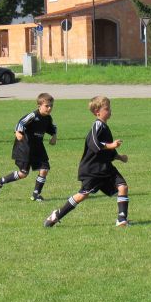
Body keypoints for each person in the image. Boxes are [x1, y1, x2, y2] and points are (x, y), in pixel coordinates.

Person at [44, 95, 129, 228]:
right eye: (107, 109)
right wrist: (111, 145)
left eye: (110, 108)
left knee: (123, 187)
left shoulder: (105, 127)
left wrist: (119, 157)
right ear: (97, 112)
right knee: (82, 195)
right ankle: (57, 215)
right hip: (92, 169)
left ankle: (121, 220)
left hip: (105, 167)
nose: (110, 111)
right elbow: (94, 144)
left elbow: (107, 151)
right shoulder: (97, 125)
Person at [0, 93, 58, 202]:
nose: (49, 108)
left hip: (38, 147)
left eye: (51, 106)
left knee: (44, 169)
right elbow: (21, 123)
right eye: (47, 106)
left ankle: (36, 195)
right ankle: (0, 181)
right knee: (23, 173)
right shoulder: (33, 116)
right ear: (39, 106)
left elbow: (53, 127)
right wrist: (18, 132)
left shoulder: (47, 118)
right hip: (25, 147)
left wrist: (54, 136)